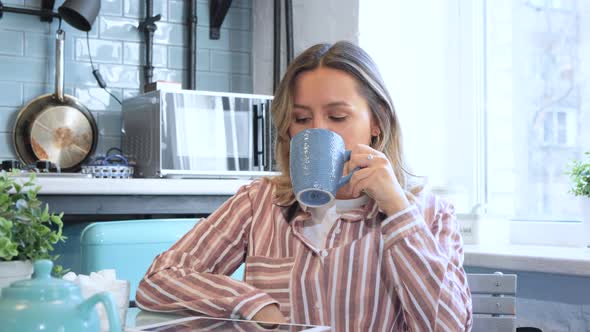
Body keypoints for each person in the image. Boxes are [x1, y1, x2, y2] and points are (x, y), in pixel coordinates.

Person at [136, 41, 473, 331]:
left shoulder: (429, 214)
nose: (318, 130)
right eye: (301, 119)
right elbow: (158, 281)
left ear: (377, 122)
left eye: (337, 117)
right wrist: (250, 303)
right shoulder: (259, 202)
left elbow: (449, 326)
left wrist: (398, 210)